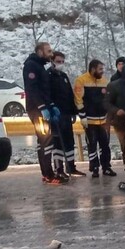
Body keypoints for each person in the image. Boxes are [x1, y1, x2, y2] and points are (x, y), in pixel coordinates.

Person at [23, 41, 63, 185]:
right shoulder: (31, 66)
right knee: (46, 141)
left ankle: (46, 173)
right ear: (40, 52)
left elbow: (44, 90)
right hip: (37, 110)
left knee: (44, 141)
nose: (51, 54)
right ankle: (48, 174)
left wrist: (51, 105)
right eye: (49, 51)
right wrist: (42, 107)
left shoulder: (39, 66)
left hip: (43, 108)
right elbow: (32, 89)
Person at [74, 59, 116, 178]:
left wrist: (108, 116)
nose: (102, 72)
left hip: (103, 120)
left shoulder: (104, 81)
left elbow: (107, 100)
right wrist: (82, 116)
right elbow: (78, 100)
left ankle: (106, 167)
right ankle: (95, 168)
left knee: (105, 145)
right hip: (89, 120)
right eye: (100, 69)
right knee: (92, 144)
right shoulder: (81, 80)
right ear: (93, 69)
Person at [48, 51, 85, 179]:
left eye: (62, 62)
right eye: (58, 61)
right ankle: (59, 169)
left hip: (66, 114)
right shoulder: (48, 75)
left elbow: (69, 94)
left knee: (69, 141)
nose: (61, 64)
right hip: (56, 114)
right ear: (52, 61)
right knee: (58, 143)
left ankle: (71, 167)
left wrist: (73, 111)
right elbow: (46, 95)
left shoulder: (63, 76)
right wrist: (51, 108)